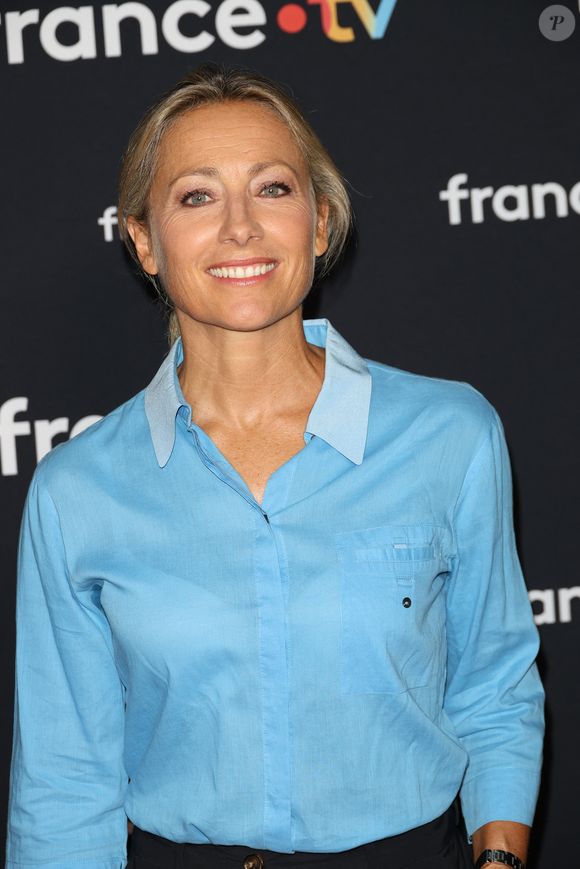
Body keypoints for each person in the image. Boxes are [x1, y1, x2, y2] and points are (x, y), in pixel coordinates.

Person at [5, 63, 544, 869]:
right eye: (196, 196)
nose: (240, 228)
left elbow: (494, 686)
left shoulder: (450, 434)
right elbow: (63, 780)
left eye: (272, 189)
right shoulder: (78, 491)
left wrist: (499, 859)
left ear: (320, 223)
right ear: (144, 241)